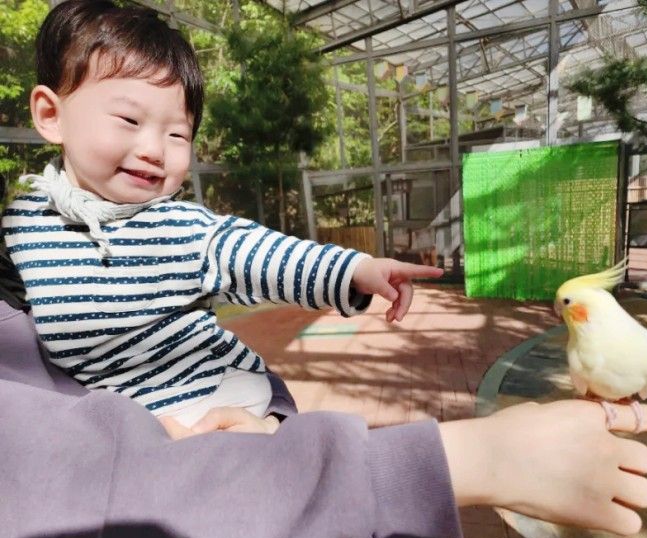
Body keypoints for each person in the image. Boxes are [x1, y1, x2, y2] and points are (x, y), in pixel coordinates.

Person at [0, 0, 441, 430]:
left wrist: (354, 269)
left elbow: (259, 254)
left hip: (216, 395)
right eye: (129, 121)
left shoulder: (181, 229)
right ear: (50, 115)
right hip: (127, 426)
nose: (154, 150)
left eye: (177, 133)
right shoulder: (20, 228)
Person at [0, 296, 647, 538]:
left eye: (180, 130)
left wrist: (255, 427)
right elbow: (76, 489)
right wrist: (463, 460)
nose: (158, 148)